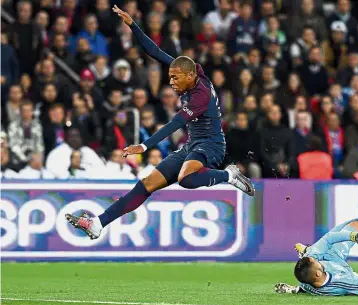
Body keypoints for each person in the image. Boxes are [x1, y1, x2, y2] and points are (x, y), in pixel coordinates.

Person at [66, 5, 255, 240]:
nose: (172, 82)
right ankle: (98, 224)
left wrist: (144, 146)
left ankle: (228, 175)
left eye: (175, 78)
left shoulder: (200, 95)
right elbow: (154, 51)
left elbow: (175, 123)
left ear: (189, 76)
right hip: (192, 145)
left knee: (186, 179)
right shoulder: (191, 71)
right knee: (147, 183)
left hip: (212, 145)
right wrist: (133, 25)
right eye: (170, 77)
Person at [274, 219, 358, 296]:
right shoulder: (343, 282)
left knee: (313, 252)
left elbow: (328, 239)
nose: (315, 259)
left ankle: (306, 251)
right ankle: (307, 251)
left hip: (327, 259)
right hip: (337, 260)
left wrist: (354, 237)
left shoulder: (309, 273)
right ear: (318, 273)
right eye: (316, 261)